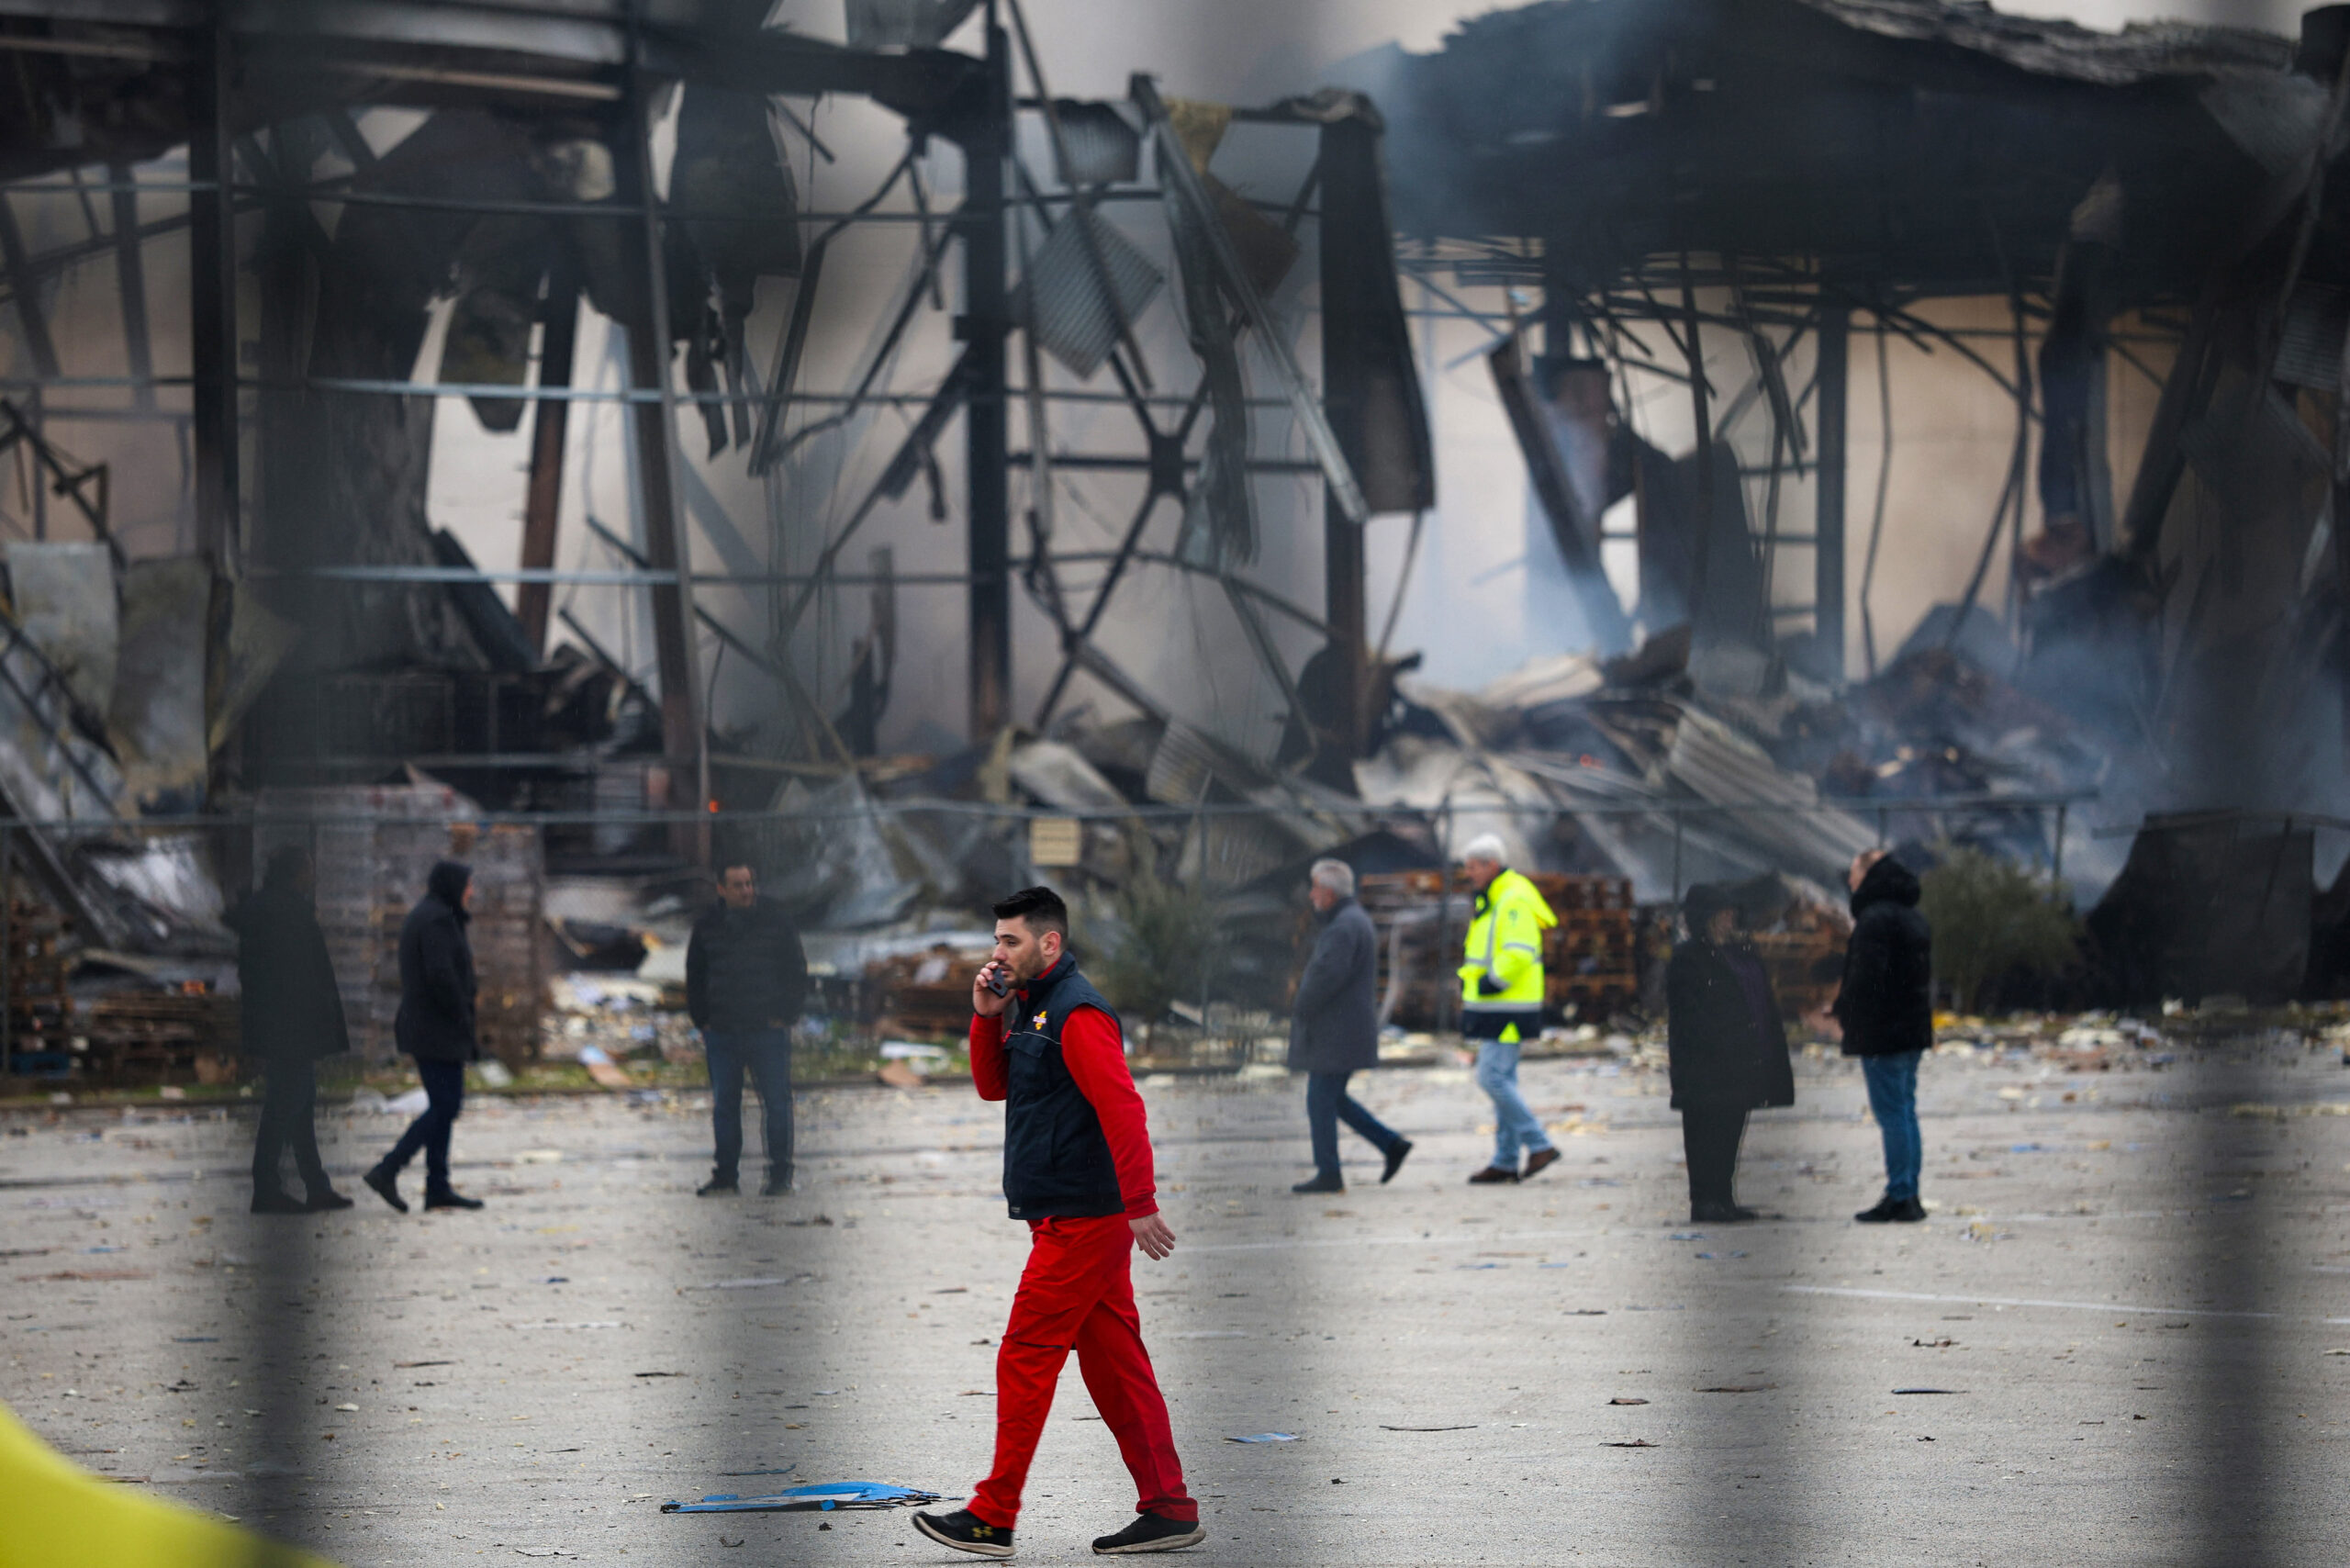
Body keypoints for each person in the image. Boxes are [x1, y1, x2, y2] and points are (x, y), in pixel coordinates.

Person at [912, 886, 1203, 1559]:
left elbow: (1124, 1108)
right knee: (1116, 1366)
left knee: (1026, 1352)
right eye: (995, 939)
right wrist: (986, 1014)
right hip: (1064, 1214)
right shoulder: (1031, 1007)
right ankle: (1171, 1508)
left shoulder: (1078, 1013)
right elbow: (994, 1086)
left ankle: (993, 1514)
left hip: (1085, 1218)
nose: (997, 951)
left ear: (1050, 943)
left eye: (1009, 940)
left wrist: (1141, 1204)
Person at [229, 847, 353, 1215]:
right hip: (290, 1027)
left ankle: (315, 1185)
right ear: (296, 872)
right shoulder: (283, 912)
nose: (313, 874)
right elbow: (295, 976)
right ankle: (266, 1186)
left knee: (301, 1104)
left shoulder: (275, 908)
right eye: (309, 868)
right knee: (286, 1104)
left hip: (286, 1025)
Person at [1665, 884, 1795, 1224]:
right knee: (1704, 1130)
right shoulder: (1689, 958)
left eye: (1730, 913)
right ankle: (1705, 1200)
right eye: (1721, 914)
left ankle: (1723, 1197)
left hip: (1742, 1059)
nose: (1728, 920)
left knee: (1730, 1130)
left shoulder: (1743, 953)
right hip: (1706, 1063)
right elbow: (1687, 1016)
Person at [364, 860, 485, 1214]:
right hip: (435, 1029)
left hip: (434, 1027)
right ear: (453, 885)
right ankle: (388, 1169)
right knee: (446, 1106)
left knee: (444, 1107)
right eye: (468, 884)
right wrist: (461, 1013)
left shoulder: (436, 915)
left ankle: (437, 1187)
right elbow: (441, 976)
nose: (472, 892)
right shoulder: (436, 921)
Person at [686, 862, 810, 1196]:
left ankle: (780, 1175)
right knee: (726, 1105)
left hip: (766, 1030)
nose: (746, 891)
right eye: (738, 885)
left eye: (750, 883)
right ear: (721, 890)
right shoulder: (708, 926)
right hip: (723, 1031)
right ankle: (726, 1175)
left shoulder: (776, 920)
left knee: (776, 1103)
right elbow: (695, 975)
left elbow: (796, 970)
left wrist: (785, 1015)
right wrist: (703, 1019)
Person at [1287, 858, 1409, 1194]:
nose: (1311, 895)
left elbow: (1326, 977)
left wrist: (1301, 1007)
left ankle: (1329, 1173)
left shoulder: (1344, 926)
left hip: (1336, 1033)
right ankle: (1390, 1144)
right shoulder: (1351, 920)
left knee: (1320, 1100)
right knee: (1333, 1099)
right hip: (1344, 1031)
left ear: (1327, 892)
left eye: (1314, 888)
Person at [1833, 849, 1934, 1224]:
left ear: (1869, 873)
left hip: (1884, 1034)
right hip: (1911, 1031)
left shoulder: (1874, 920)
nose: (1850, 880)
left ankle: (1901, 1194)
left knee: (1892, 1113)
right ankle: (1909, 1190)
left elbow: (1866, 979)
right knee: (1905, 1111)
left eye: (1855, 871)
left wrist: (1845, 1011)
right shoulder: (1912, 916)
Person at [1456, 834, 1561, 1184]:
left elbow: (1518, 951)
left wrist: (1490, 982)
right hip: (1498, 1007)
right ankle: (1504, 1160)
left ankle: (1539, 1143)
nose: (1467, 874)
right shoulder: (1498, 896)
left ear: (1491, 865)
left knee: (1492, 1077)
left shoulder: (1511, 898)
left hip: (1508, 1006)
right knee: (1503, 1079)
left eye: (1472, 867)